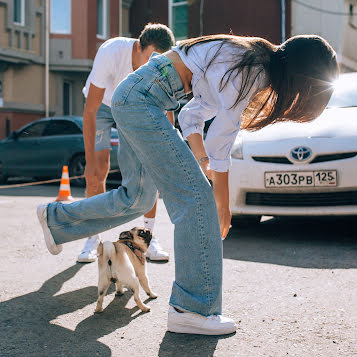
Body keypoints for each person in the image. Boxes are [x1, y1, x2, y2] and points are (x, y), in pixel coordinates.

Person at [37, 34, 338, 335]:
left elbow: (192, 115)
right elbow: (222, 138)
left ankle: (56, 221)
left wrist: (202, 161)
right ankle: (192, 308)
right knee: (197, 200)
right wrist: (222, 202)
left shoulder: (244, 61)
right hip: (140, 102)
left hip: (135, 99)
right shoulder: (252, 68)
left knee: (137, 198)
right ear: (301, 79)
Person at [77, 23, 175, 263]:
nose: (154, 65)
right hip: (102, 106)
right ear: (138, 47)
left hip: (133, 107)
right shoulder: (111, 52)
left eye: (159, 61)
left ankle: (148, 237)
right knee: (97, 171)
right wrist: (89, 162)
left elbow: (166, 111)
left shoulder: (160, 67)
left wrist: (164, 150)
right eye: (150, 57)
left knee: (147, 169)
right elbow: (90, 111)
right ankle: (93, 238)